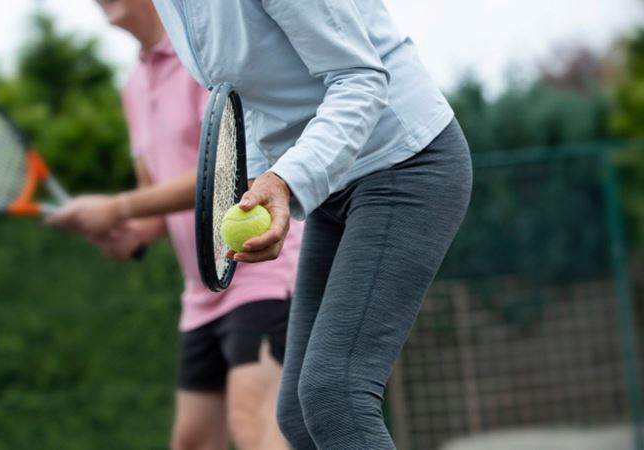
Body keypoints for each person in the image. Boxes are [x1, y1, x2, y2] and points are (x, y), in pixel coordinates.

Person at [52, 1, 472, 449]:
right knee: (296, 416)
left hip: (404, 162)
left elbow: (361, 80)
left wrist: (285, 180)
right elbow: (246, 102)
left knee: (335, 396)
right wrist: (256, 185)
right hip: (334, 190)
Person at [49, 1, 302, 449]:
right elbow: (154, 202)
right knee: (193, 442)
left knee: (256, 429)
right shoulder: (132, 86)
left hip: (261, 273)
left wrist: (119, 207)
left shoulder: (206, 57)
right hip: (200, 296)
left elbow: (234, 170)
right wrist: (125, 233)